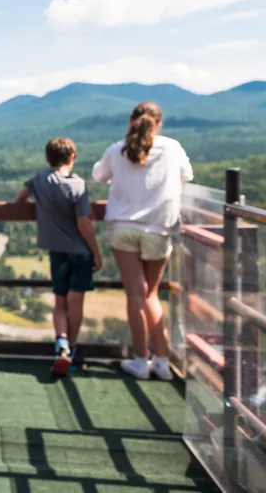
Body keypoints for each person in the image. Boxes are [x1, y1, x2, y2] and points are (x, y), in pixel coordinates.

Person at [92, 101, 193, 381]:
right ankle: (162, 361)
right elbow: (188, 175)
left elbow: (98, 175)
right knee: (151, 294)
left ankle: (141, 360)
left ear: (130, 121)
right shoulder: (172, 148)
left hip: (123, 227)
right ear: (159, 123)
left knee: (136, 294)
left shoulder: (117, 149)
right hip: (158, 228)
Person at [15, 137, 102, 376]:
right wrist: (96, 252)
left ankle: (60, 345)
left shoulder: (38, 180)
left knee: (60, 302)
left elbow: (19, 198)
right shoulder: (78, 185)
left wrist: (38, 205)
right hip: (80, 253)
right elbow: (83, 223)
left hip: (57, 252)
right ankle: (71, 352)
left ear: (47, 158)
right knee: (76, 305)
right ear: (72, 157)